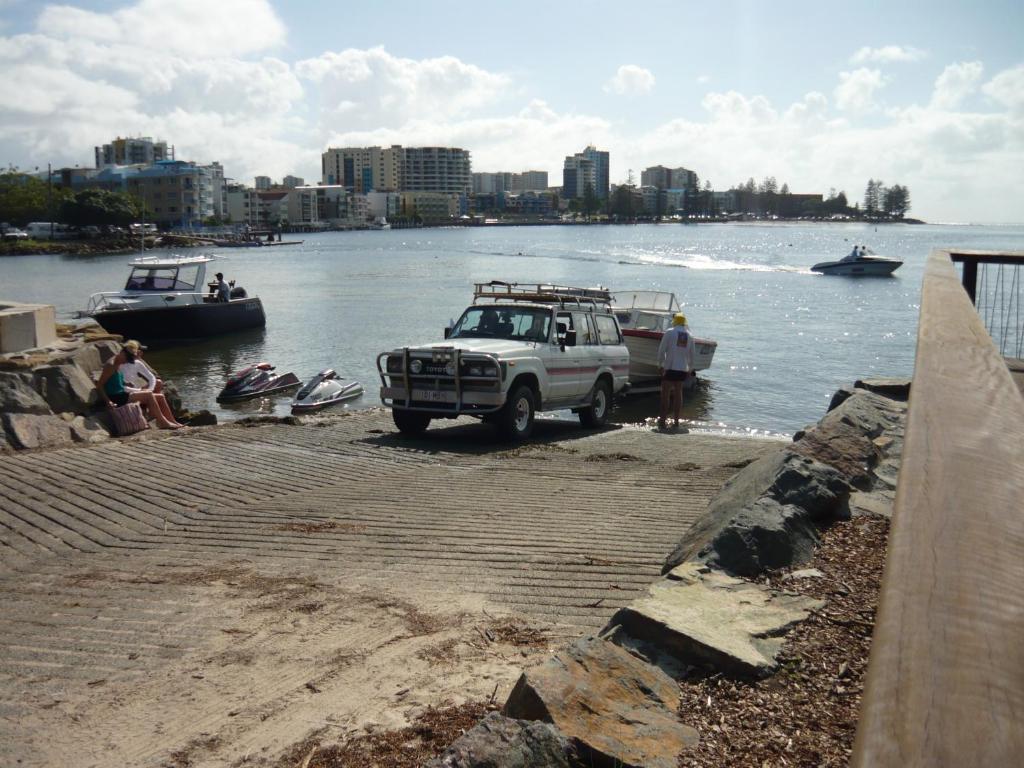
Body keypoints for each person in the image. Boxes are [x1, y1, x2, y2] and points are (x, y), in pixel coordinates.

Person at [97, 342, 182, 429]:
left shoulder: (118, 362)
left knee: (160, 396)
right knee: (148, 394)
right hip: (117, 397)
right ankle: (162, 422)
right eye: (127, 359)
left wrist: (127, 383)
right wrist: (108, 401)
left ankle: (172, 420)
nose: (126, 362)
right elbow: (99, 385)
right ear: (122, 353)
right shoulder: (110, 365)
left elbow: (117, 381)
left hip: (122, 393)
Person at [657, 313, 694, 430]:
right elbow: (692, 355)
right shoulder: (690, 336)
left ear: (675, 321)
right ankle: (676, 421)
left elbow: (661, 350)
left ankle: (663, 420)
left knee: (665, 394)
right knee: (678, 394)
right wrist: (690, 368)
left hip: (670, 367)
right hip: (682, 369)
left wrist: (660, 364)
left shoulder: (669, 332)